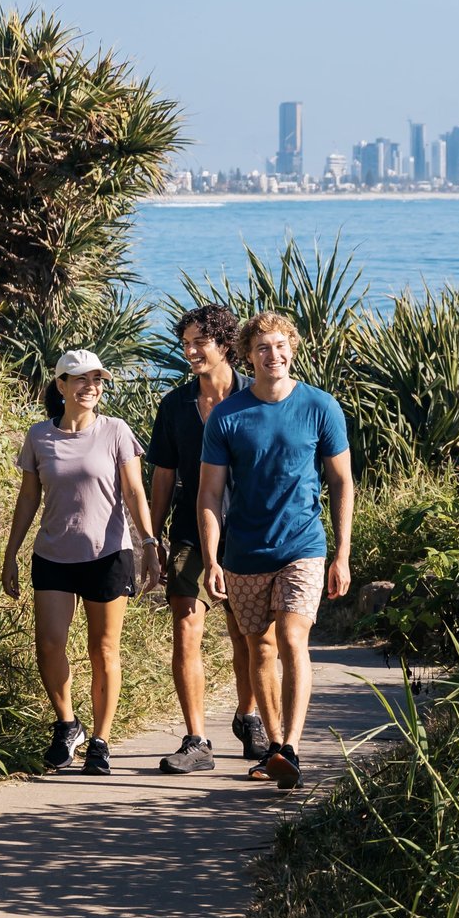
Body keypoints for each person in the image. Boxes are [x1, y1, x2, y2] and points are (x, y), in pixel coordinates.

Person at [197, 310, 353, 790]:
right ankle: (273, 747)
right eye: (263, 347)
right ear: (247, 355)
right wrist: (210, 560)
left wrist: (342, 552)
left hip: (302, 544)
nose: (273, 355)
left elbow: (342, 481)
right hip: (244, 551)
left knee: (290, 638)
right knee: (258, 648)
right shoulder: (227, 416)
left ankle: (291, 747)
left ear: (293, 350)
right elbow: (208, 494)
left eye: (281, 345)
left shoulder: (319, 406)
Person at [0, 349, 162, 775]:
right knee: (49, 644)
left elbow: (134, 493)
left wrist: (149, 543)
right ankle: (67, 724)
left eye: (97, 380)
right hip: (53, 552)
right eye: (80, 379)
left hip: (107, 554)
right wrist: (11, 552)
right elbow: (29, 497)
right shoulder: (39, 436)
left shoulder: (115, 431)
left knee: (103, 649)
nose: (90, 387)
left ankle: (101, 742)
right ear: (62, 385)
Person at [145, 304, 264, 774]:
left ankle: (249, 717)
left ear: (225, 345)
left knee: (248, 634)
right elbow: (162, 477)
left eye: (200, 342)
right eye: (186, 343)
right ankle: (196, 740)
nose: (191, 351)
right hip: (191, 532)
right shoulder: (175, 405)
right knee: (186, 627)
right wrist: (151, 537)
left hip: (248, 534)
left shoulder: (255, 398)